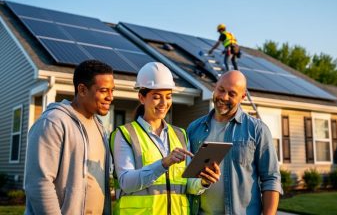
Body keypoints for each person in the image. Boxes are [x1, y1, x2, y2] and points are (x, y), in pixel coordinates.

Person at [110, 62, 221, 215]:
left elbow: (188, 185)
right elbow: (126, 183)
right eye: (156, 97)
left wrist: (204, 181)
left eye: (168, 97)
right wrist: (164, 163)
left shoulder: (180, 135)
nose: (164, 103)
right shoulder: (125, 134)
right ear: (141, 97)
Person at [25, 60, 115, 215]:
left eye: (112, 90)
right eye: (104, 90)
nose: (110, 97)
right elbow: (39, 183)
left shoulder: (99, 126)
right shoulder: (53, 122)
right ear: (82, 90)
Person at [187, 71, 282, 215]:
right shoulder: (194, 129)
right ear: (215, 87)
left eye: (232, 94)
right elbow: (187, 177)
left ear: (242, 97)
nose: (224, 97)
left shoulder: (257, 130)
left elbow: (271, 179)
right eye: (221, 90)